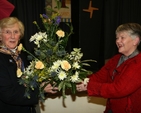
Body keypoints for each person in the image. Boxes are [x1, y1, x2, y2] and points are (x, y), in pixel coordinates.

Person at [76, 23, 141, 113]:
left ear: (135, 41)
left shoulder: (138, 63)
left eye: (122, 37)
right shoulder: (115, 59)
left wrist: (89, 86)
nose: (118, 41)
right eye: (117, 38)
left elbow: (119, 89)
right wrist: (76, 80)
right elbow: (99, 77)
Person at [0, 17, 57, 113]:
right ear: (0, 36)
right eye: (8, 32)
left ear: (20, 35)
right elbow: (7, 94)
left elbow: (33, 82)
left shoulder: (25, 56)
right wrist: (40, 90)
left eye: (16, 32)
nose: (12, 36)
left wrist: (46, 84)